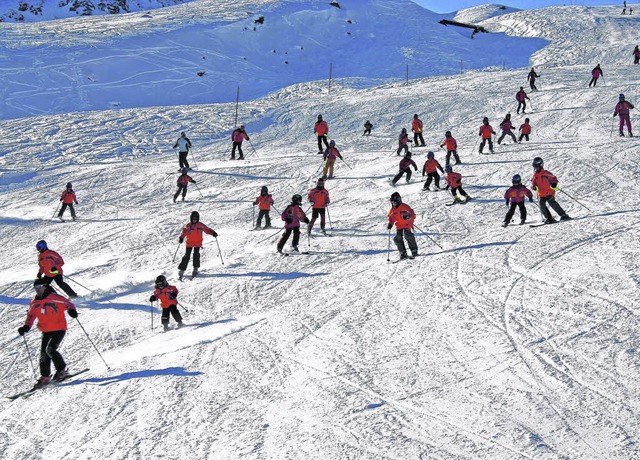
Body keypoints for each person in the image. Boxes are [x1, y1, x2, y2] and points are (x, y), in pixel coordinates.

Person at [18, 279, 78, 389]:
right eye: (36, 287)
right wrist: (26, 327)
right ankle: (45, 377)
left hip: (59, 328)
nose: (37, 289)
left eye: (39, 287)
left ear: (45, 286)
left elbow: (68, 304)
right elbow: (31, 316)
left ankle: (62, 371)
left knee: (50, 350)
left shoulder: (56, 298)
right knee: (43, 354)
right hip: (46, 330)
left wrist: (72, 311)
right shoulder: (34, 302)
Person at [178, 211, 217, 279]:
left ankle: (195, 268)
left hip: (197, 243)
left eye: (195, 218)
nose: (194, 220)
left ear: (198, 218)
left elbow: (207, 230)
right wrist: (181, 238)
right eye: (193, 218)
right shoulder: (188, 225)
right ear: (191, 218)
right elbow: (184, 232)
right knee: (187, 256)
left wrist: (213, 233)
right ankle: (182, 269)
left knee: (196, 255)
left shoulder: (200, 225)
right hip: (189, 243)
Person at [531, 157, 571, 224]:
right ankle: (549, 218)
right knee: (541, 205)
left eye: (537, 167)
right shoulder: (535, 176)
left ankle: (563, 215)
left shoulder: (546, 173)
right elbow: (533, 183)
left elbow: (554, 179)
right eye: (535, 167)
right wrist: (534, 187)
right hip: (541, 193)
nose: (536, 169)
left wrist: (554, 184)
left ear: (541, 166)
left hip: (549, 191)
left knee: (551, 202)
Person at [387, 192, 418, 259]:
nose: (394, 204)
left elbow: (412, 214)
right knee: (397, 238)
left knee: (408, 236)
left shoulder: (404, 207)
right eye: (392, 203)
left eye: (395, 202)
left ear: (399, 201)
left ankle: (414, 250)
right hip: (399, 226)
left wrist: (408, 217)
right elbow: (391, 217)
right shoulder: (393, 210)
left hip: (407, 225)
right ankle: (403, 252)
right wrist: (390, 223)